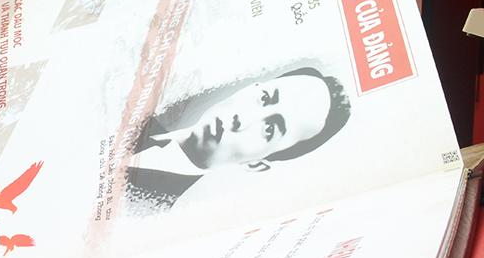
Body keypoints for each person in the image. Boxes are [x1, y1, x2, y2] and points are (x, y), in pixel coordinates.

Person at [124, 66, 351, 212]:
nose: (242, 119)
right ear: (252, 87)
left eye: (269, 129)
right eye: (264, 98)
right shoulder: (131, 106)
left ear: (256, 164)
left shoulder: (147, 209)